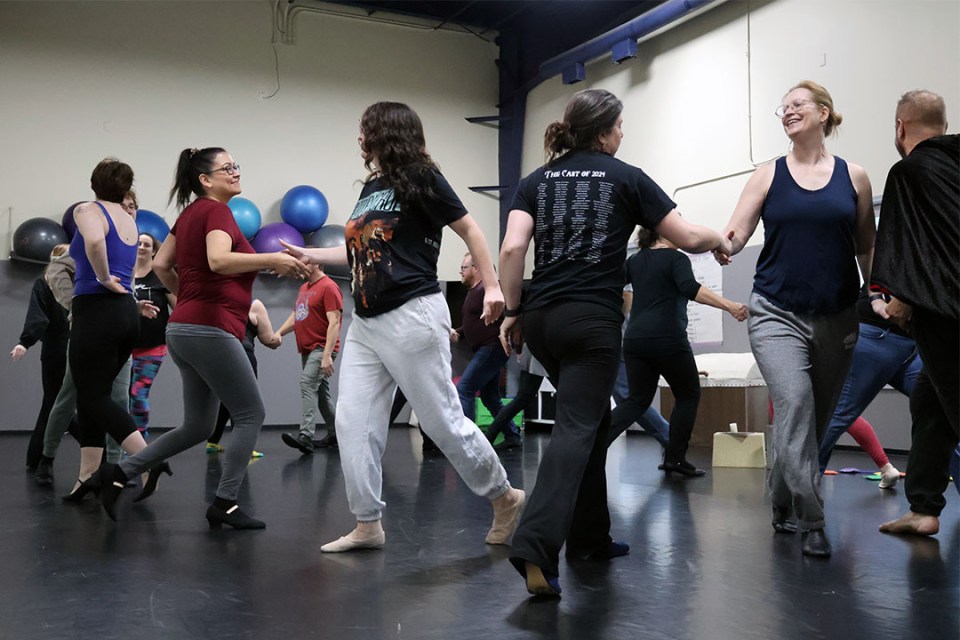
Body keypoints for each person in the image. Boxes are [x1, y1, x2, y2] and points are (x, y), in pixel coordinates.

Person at [499, 88, 732, 596]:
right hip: (591, 323)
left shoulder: (535, 181)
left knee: (594, 421)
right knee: (577, 427)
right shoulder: (626, 177)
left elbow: (514, 246)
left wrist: (512, 310)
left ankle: (590, 537)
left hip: (541, 318)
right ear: (604, 132)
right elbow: (689, 238)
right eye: (620, 126)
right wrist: (720, 238)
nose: (623, 134)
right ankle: (534, 548)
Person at [281, 101, 524, 553]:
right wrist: (312, 256)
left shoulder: (421, 177)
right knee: (353, 423)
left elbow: (471, 230)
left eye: (364, 129)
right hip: (368, 322)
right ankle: (368, 523)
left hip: (413, 312)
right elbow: (360, 252)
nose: (359, 138)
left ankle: (505, 497)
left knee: (443, 422)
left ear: (385, 132)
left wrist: (493, 287)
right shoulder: (372, 186)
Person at [98, 147, 309, 528]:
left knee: (197, 426)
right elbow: (218, 261)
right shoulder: (215, 211)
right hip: (210, 328)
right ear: (205, 180)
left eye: (236, 166)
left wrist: (189, 299)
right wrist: (271, 260)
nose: (235, 172)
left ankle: (118, 473)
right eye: (226, 168)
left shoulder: (188, 215)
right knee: (251, 413)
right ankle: (225, 502)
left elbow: (162, 264)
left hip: (183, 328)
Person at [716, 81, 875, 558]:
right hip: (775, 312)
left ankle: (782, 501)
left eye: (797, 105)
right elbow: (736, 233)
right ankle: (813, 518)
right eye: (782, 108)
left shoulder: (856, 177)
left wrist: (881, 294)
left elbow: (865, 245)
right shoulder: (768, 175)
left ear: (824, 113)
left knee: (812, 420)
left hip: (838, 314)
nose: (787, 113)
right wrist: (714, 242)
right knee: (796, 402)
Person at [871, 90, 958, 537]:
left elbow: (913, 249)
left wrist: (898, 300)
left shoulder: (908, 172)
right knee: (929, 399)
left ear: (901, 127)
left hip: (947, 314)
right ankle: (923, 507)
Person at [607, 229, 748, 475]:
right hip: (668, 339)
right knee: (688, 394)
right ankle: (675, 458)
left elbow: (614, 289)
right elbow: (690, 287)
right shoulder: (677, 258)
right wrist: (730, 306)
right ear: (664, 232)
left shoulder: (635, 261)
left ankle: (594, 444)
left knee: (637, 400)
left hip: (635, 340)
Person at [67, 159, 152, 503]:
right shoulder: (129, 220)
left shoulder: (88, 209)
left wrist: (102, 277)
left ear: (93, 183)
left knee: (92, 397)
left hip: (96, 309)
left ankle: (148, 462)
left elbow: (94, 243)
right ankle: (88, 475)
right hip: (124, 316)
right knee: (94, 396)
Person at [818, 285, 919, 483]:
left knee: (943, 410)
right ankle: (794, 490)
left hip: (910, 341)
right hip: (877, 333)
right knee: (839, 415)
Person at [10, 244, 71, 477]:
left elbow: (38, 319)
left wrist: (25, 342)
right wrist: (24, 342)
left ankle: (36, 458)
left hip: (68, 350)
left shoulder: (61, 283)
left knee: (54, 403)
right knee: (56, 404)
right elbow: (38, 318)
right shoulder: (47, 284)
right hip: (61, 350)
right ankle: (38, 458)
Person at [278, 262, 343, 454]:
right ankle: (337, 434)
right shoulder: (304, 288)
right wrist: (279, 333)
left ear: (317, 263)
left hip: (322, 347)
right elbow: (296, 316)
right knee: (321, 393)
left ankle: (306, 435)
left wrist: (326, 356)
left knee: (307, 384)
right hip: (307, 349)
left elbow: (334, 323)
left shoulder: (329, 286)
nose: (301, 266)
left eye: (305, 262)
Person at [207, 299, 280, 456]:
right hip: (243, 355)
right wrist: (278, 338)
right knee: (246, 404)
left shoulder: (217, 303)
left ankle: (213, 441)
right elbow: (269, 339)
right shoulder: (255, 305)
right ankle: (242, 448)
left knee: (226, 400)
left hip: (218, 356)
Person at [452, 251, 508, 437]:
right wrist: (459, 332)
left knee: (464, 390)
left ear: (475, 268)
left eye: (463, 268)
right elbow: (473, 321)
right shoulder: (475, 291)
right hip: (486, 349)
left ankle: (469, 439)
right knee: (490, 398)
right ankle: (513, 436)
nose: (460, 272)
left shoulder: (487, 289)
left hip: (491, 348)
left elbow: (506, 307)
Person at [130, 220, 177, 437]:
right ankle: (123, 441)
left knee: (138, 394)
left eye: (146, 245)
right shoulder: (125, 276)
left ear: (153, 251)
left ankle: (140, 441)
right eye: (138, 243)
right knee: (120, 397)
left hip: (152, 347)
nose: (141, 247)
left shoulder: (159, 277)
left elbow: (178, 307)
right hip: (124, 346)